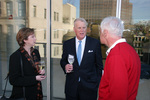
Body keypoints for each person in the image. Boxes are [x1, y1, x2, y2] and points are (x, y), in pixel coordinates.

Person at [98, 16, 141, 100]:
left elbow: (118, 95)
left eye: (100, 31)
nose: (99, 34)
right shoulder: (129, 49)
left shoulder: (117, 55)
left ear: (105, 33)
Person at [60, 18, 103, 100]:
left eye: (84, 27)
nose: (82, 30)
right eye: (79, 28)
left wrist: (96, 83)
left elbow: (99, 65)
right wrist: (65, 66)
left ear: (87, 29)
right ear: (74, 29)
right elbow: (63, 60)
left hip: (89, 88)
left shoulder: (95, 43)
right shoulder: (67, 44)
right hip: (71, 87)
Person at [9, 28, 46, 100]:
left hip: (37, 93)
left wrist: (41, 72)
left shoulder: (36, 52)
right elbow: (13, 80)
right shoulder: (15, 56)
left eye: (34, 36)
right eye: (32, 37)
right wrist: (34, 78)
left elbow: (36, 69)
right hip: (23, 95)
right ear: (24, 40)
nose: (35, 38)